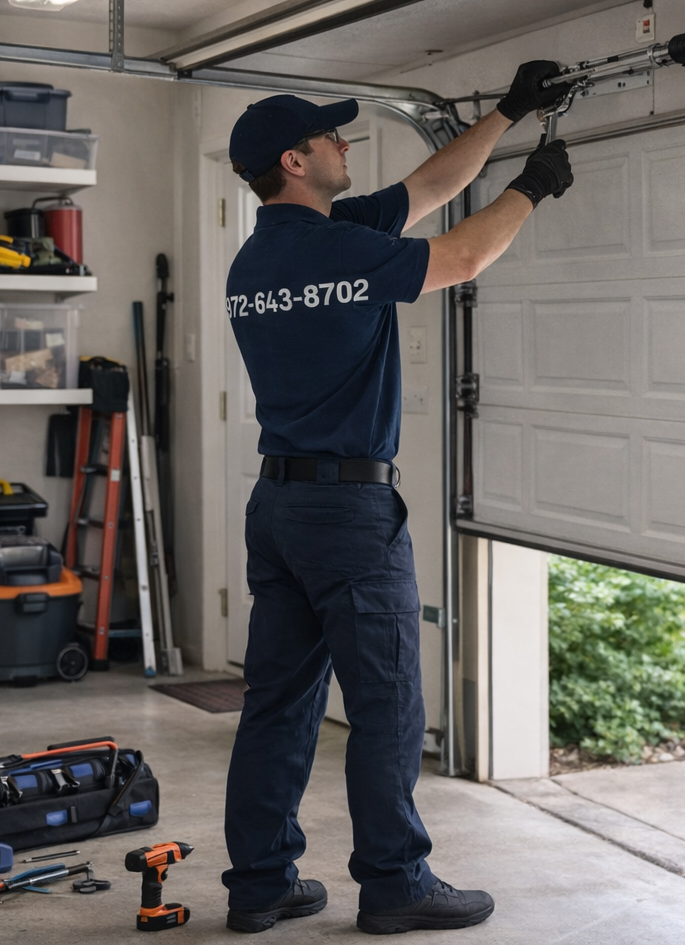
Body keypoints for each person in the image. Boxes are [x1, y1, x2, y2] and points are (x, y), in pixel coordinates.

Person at [220, 62, 574, 935]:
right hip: (348, 513)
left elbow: (428, 187)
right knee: (387, 704)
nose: (345, 142)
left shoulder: (260, 259)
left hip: (280, 511)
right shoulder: (342, 249)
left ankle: (261, 885)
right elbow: (461, 253)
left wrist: (508, 112)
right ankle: (395, 882)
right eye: (328, 136)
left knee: (277, 704)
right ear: (295, 162)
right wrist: (533, 188)